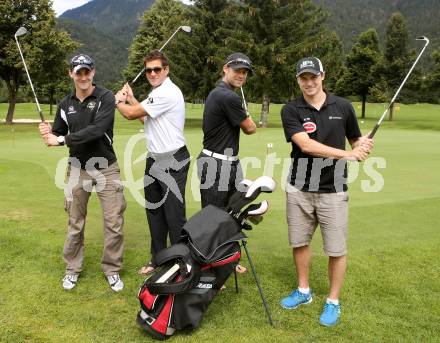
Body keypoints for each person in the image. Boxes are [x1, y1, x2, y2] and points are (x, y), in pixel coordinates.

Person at [279, 57, 374, 326]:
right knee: (299, 242)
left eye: (313, 77)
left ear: (323, 75)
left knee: (336, 249)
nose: (309, 83)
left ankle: (333, 301)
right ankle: (303, 291)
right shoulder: (291, 109)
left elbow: (355, 139)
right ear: (298, 80)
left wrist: (363, 146)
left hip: (333, 189)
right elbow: (306, 145)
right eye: (303, 78)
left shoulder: (343, 106)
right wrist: (349, 153)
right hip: (299, 188)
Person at [38, 54, 126, 292]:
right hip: (77, 170)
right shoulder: (65, 105)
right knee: (75, 223)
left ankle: (112, 269)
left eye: (87, 72)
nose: (84, 76)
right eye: (79, 72)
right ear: (71, 74)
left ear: (93, 72)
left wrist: (60, 139)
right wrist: (47, 133)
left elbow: (97, 130)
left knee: (114, 221)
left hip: (106, 167)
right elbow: (57, 132)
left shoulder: (105, 98)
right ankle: (72, 269)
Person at [115, 50, 189, 275]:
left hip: (173, 159)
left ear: (166, 70)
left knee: (174, 216)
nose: (153, 73)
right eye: (149, 70)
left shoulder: (167, 92)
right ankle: (158, 258)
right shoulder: (156, 92)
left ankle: (181, 263)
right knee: (155, 212)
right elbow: (145, 116)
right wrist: (131, 99)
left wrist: (117, 101)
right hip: (154, 159)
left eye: (157, 69)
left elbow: (129, 114)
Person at [197, 52, 257, 273]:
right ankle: (208, 268)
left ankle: (227, 261)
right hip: (216, 164)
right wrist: (246, 114)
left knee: (230, 214)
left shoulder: (223, 94)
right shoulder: (227, 96)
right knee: (213, 218)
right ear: (225, 69)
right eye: (237, 70)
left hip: (228, 163)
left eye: (245, 72)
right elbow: (250, 128)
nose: (241, 75)